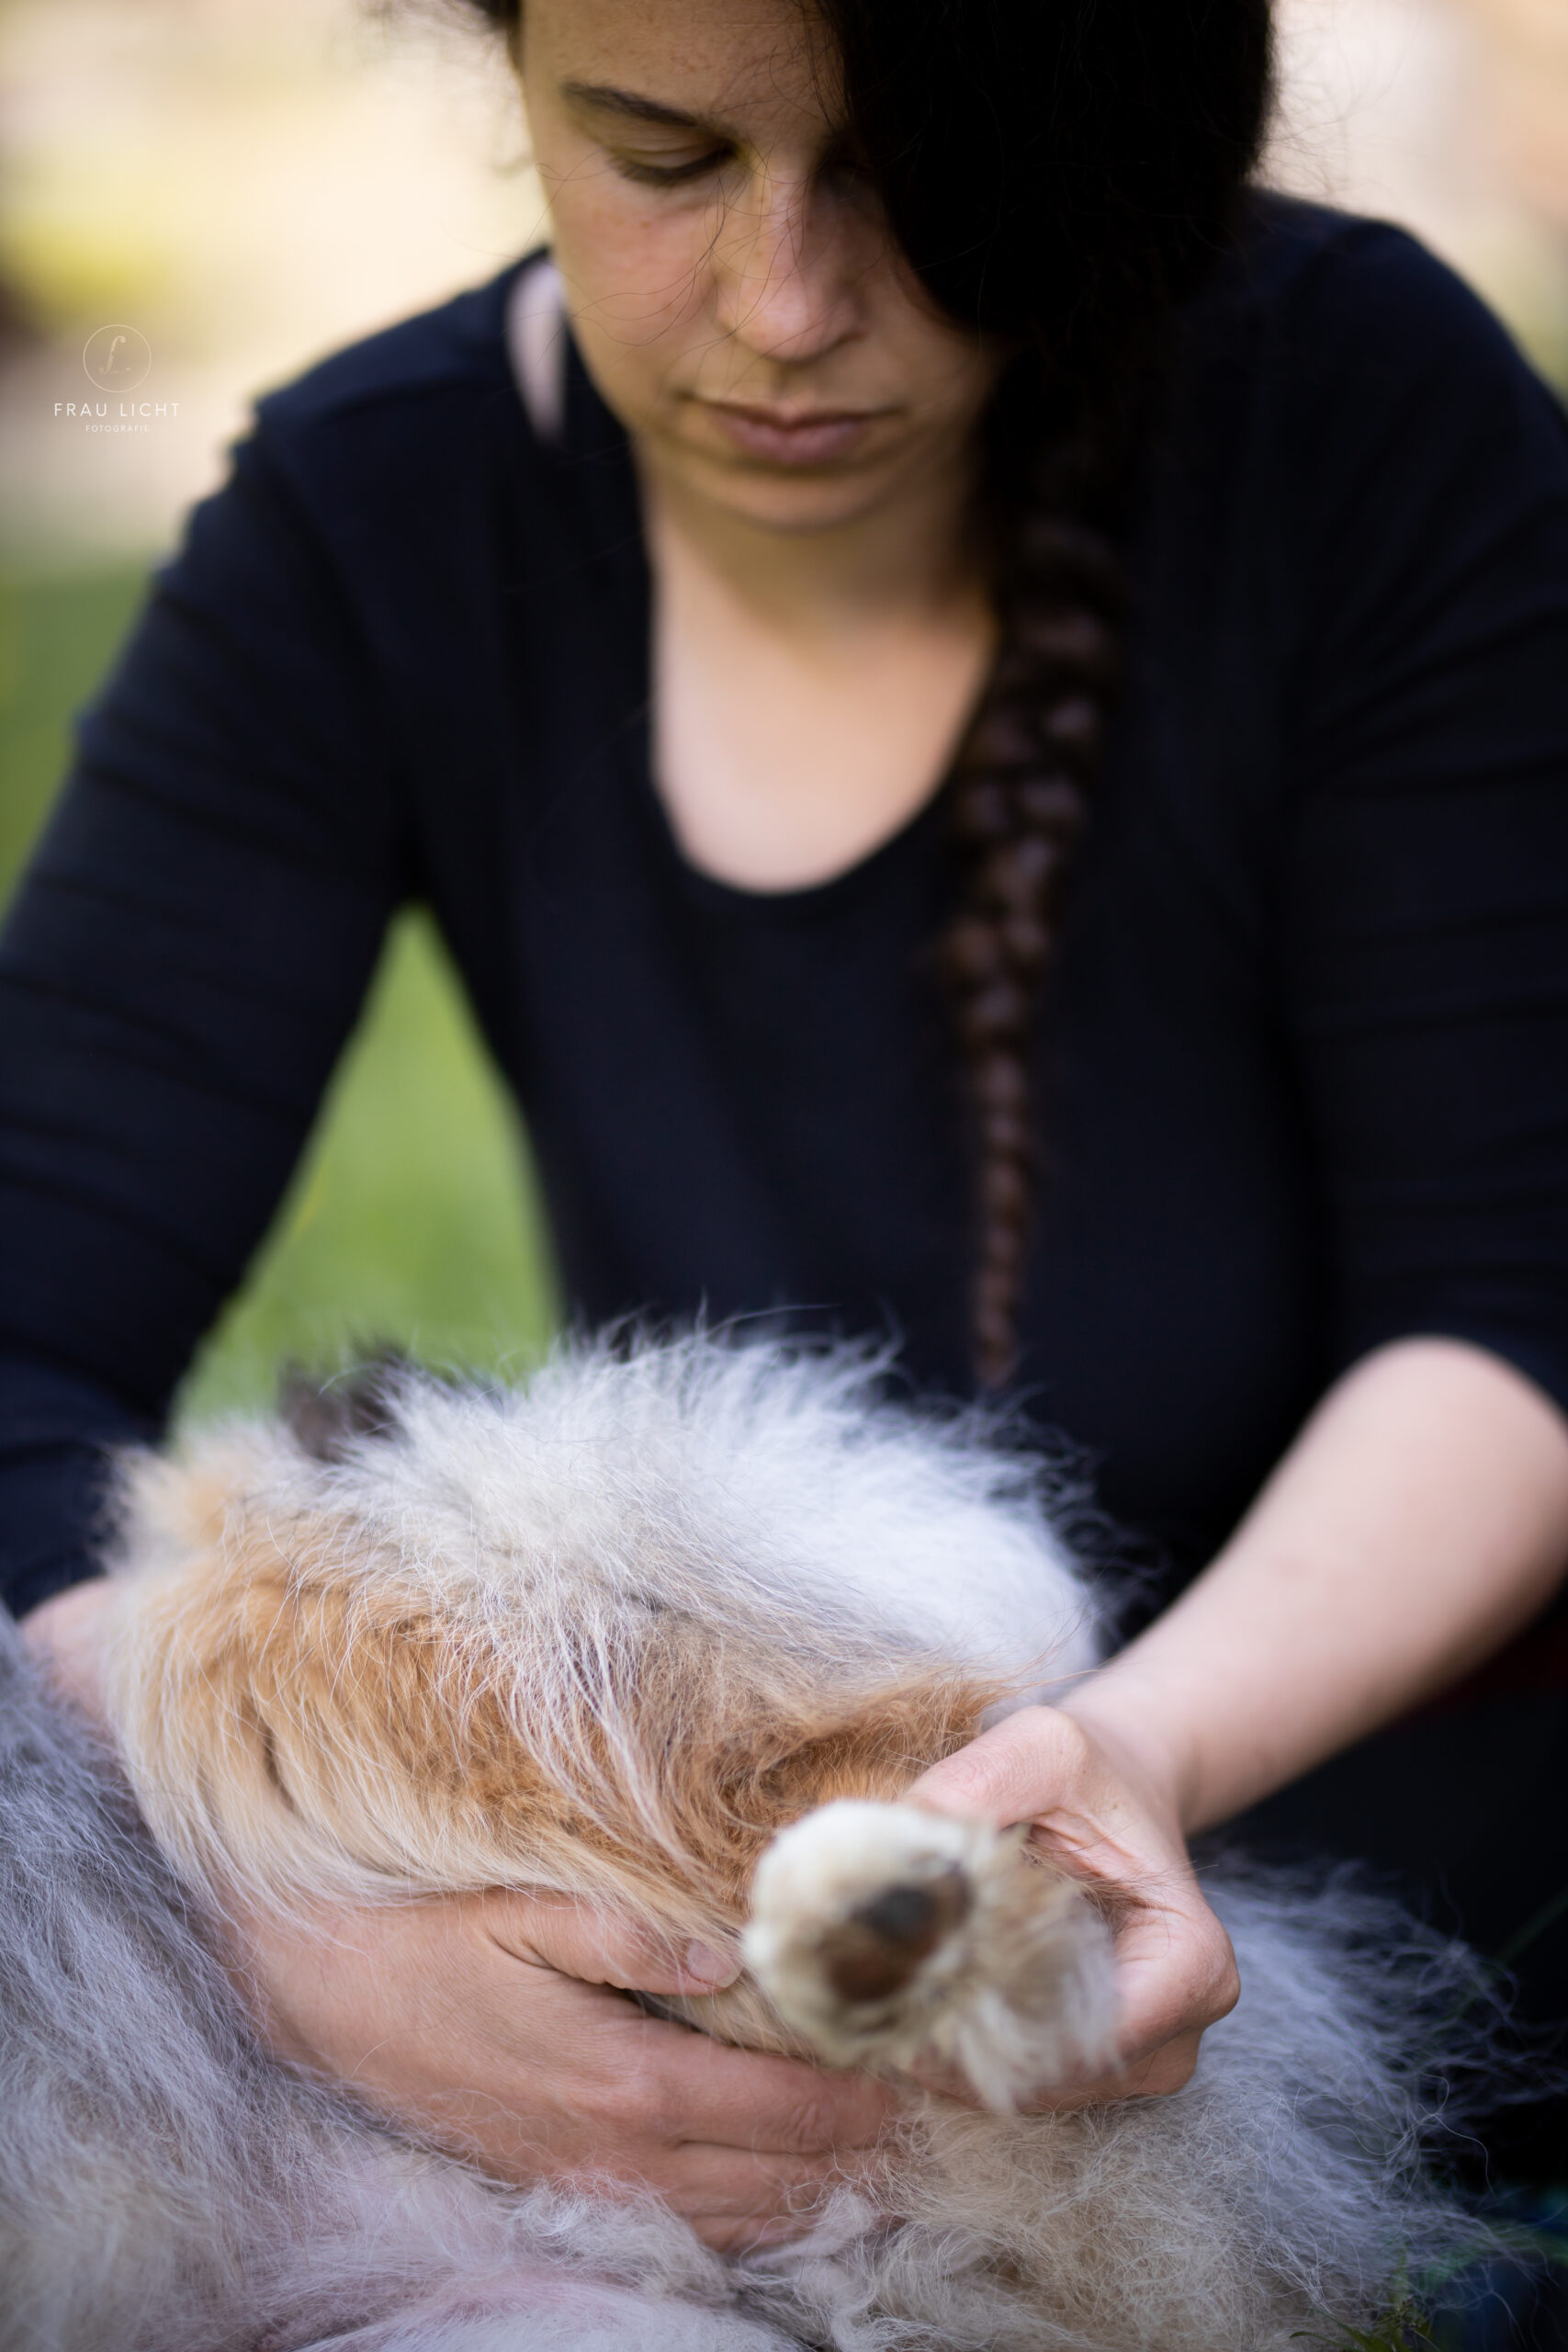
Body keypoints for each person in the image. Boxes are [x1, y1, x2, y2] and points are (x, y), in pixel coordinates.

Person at [6, 0, 1568, 2253]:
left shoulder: (1363, 415)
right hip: (735, 1924)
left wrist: (1133, 1758)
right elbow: (24, 1298)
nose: (782, 306)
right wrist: (287, 1912)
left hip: (1428, 1876)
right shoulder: (375, 516)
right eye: (656, 156)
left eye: (915, 178)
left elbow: (1515, 1302)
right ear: (510, 74)